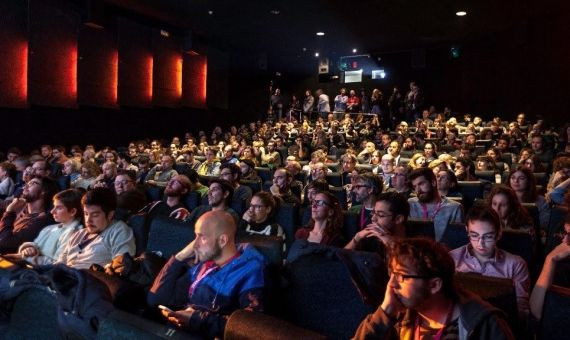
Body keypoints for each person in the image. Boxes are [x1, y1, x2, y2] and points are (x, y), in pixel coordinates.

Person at [353, 238, 515, 339]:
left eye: (402, 277)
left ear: (434, 285)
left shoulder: (484, 325)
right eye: (392, 274)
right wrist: (385, 312)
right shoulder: (399, 316)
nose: (391, 285)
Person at [147, 211, 265, 338]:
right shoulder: (204, 266)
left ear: (222, 240)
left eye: (202, 237)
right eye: (195, 236)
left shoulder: (251, 271)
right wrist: (180, 257)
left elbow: (250, 326)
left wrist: (197, 320)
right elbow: (155, 299)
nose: (194, 245)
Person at [449, 204, 530, 317]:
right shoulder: (452, 259)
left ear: (498, 234)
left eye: (488, 237)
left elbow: (521, 309)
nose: (480, 243)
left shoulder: (515, 265)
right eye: (474, 235)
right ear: (467, 230)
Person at [57, 187, 135, 269]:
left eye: (95, 215)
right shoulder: (78, 234)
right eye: (86, 214)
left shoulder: (119, 231)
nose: (88, 220)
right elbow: (59, 264)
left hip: (89, 279)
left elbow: (122, 266)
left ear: (110, 215)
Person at [14, 189, 83, 265]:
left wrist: (27, 258)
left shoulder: (75, 234)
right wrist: (29, 248)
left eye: (59, 208)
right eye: (54, 207)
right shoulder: (49, 228)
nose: (52, 211)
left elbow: (58, 265)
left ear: (72, 212)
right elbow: (36, 245)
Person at [0, 176, 59, 253]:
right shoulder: (21, 210)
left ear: (43, 192)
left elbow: (6, 243)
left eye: (33, 183)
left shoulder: (42, 220)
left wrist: (9, 212)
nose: (26, 186)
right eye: (27, 183)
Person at [529, 215, 570, 320]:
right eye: (565, 233)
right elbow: (535, 311)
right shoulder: (563, 265)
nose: (565, 241)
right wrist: (550, 259)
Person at [408, 168, 463, 240]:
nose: (418, 190)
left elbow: (456, 240)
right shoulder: (410, 204)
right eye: (415, 186)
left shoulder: (454, 208)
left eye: (421, 184)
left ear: (433, 182)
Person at [508, 166, 550, 231]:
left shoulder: (540, 200)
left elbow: (544, 223)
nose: (516, 181)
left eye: (521, 178)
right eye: (513, 178)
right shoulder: (504, 198)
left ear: (529, 181)